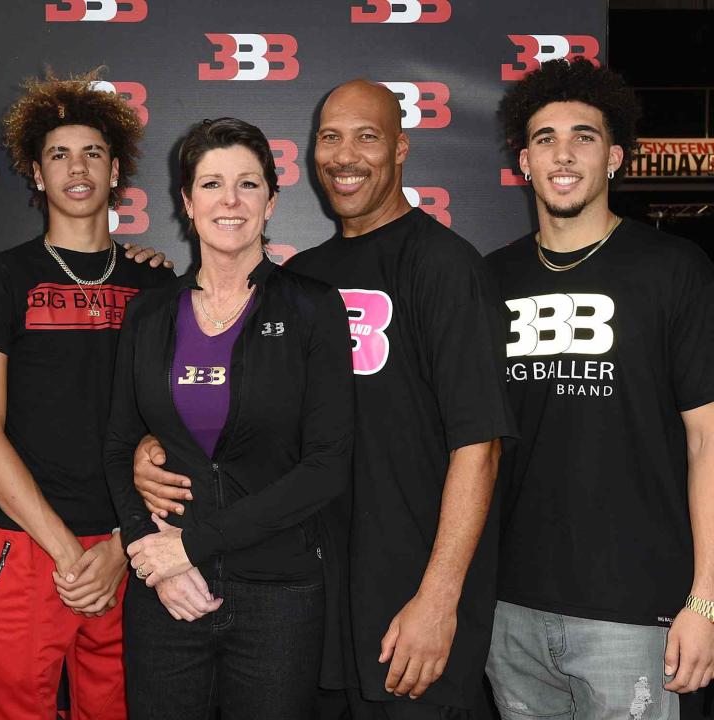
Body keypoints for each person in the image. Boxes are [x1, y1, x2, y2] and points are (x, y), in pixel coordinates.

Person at [133, 82, 517, 719]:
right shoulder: (301, 282)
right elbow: (224, 406)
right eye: (330, 136)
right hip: (310, 603)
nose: (346, 154)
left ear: (400, 148)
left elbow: (479, 447)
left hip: (410, 604)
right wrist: (157, 443)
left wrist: (440, 597)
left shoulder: (446, 267)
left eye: (366, 136)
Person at [484, 57, 714, 720]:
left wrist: (704, 600)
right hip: (511, 612)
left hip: (639, 614)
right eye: (544, 138)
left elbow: (706, 442)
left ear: (613, 157)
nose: (563, 153)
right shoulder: (489, 280)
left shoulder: (674, 270)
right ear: (522, 161)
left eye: (583, 137)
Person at [104, 117, 354, 719]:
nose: (231, 201)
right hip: (166, 595)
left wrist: (193, 545)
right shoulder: (149, 314)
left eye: (248, 184)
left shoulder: (312, 308)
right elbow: (118, 448)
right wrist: (151, 553)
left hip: (280, 598)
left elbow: (328, 465)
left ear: (271, 199)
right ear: (187, 202)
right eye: (212, 185)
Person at [0, 72, 174, 720]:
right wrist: (71, 553)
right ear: (37, 176)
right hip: (29, 548)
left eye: (93, 153)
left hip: (133, 551)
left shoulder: (157, 286)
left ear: (116, 172)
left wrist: (120, 548)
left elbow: (181, 431)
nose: (78, 168)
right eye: (59, 154)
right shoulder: (3, 277)